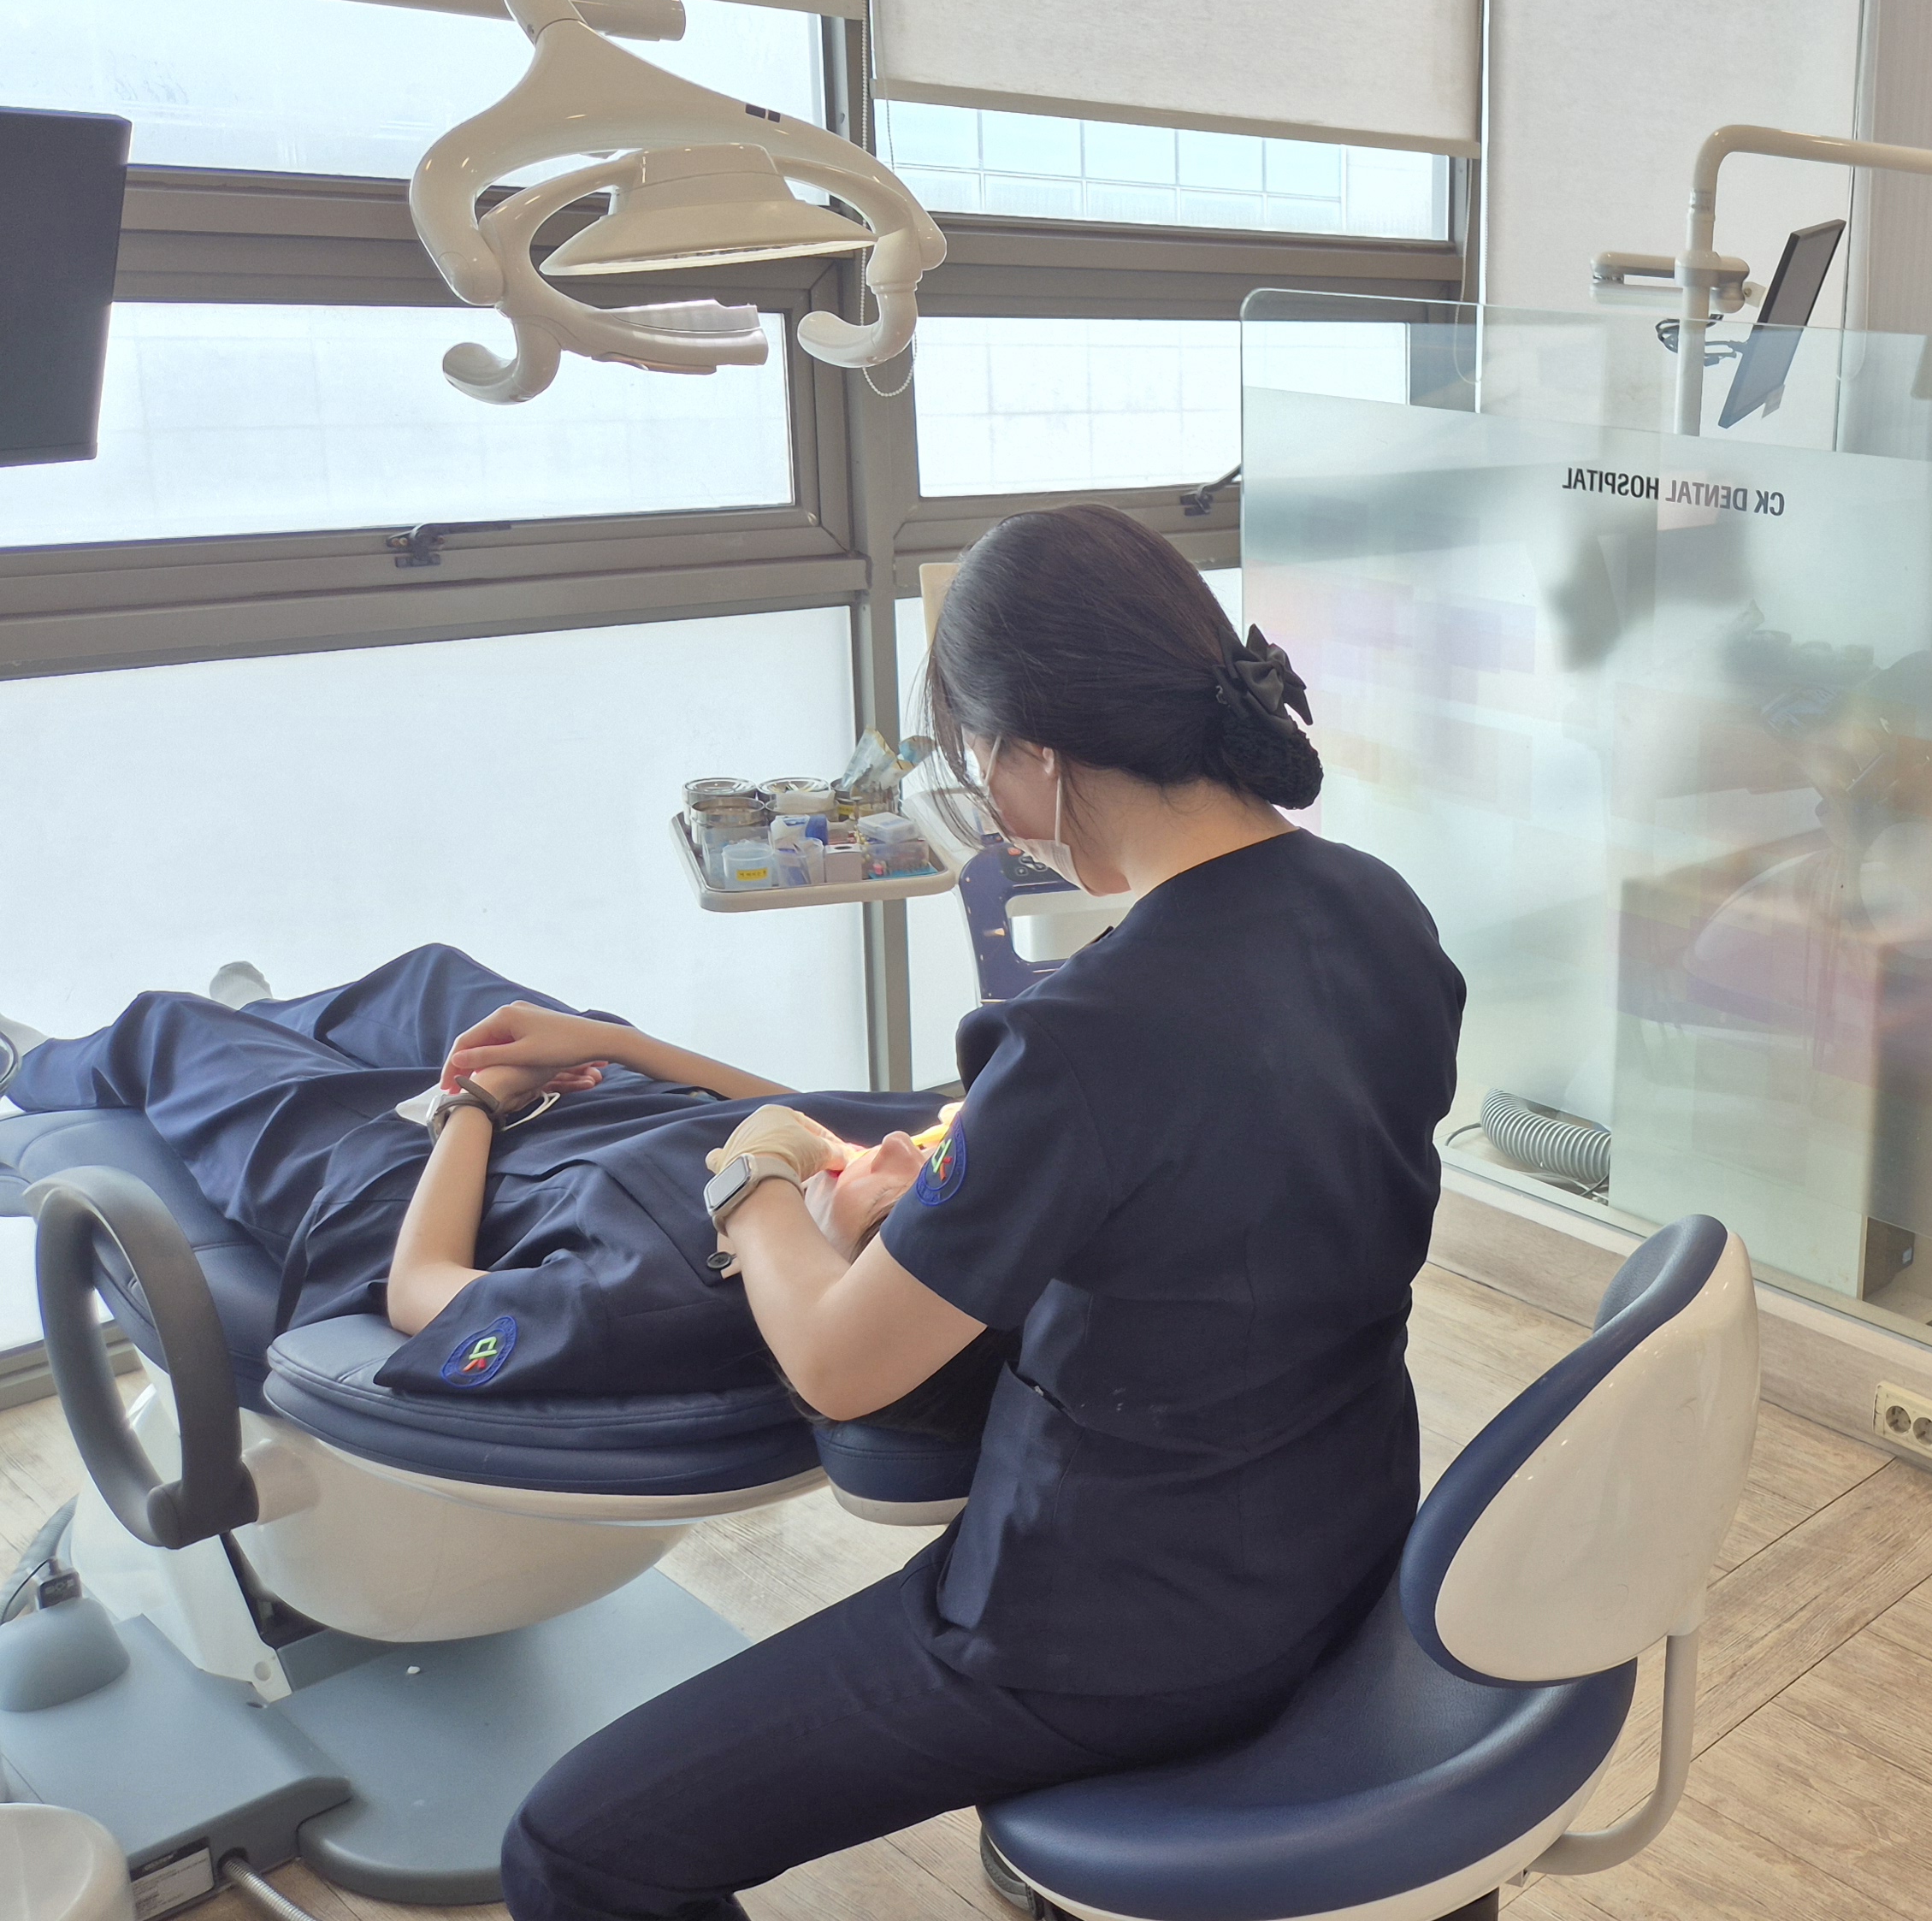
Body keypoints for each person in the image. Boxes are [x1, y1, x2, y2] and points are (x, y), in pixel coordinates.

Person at [470, 503, 1466, 1921]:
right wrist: (640, 1053)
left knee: (572, 1847)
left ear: (1035, 755)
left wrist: (751, 1180)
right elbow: (1133, 1161)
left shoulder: (1091, 1037)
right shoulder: (1377, 910)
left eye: (973, 756)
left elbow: (839, 1363)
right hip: (1340, 1533)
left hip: (1118, 1633)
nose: (985, 796)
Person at [0, 948, 994, 1425]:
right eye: (924, 1149)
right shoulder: (907, 1182)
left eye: (887, 1193)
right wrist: (614, 1043)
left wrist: (474, 1107)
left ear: (839, 1269)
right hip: (605, 1107)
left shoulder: (633, 1303)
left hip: (406, 1181)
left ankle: (39, 1067)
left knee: (167, 1026)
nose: (896, 1147)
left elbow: (418, 1287)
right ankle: (273, 1027)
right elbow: (802, 1107)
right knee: (431, 980)